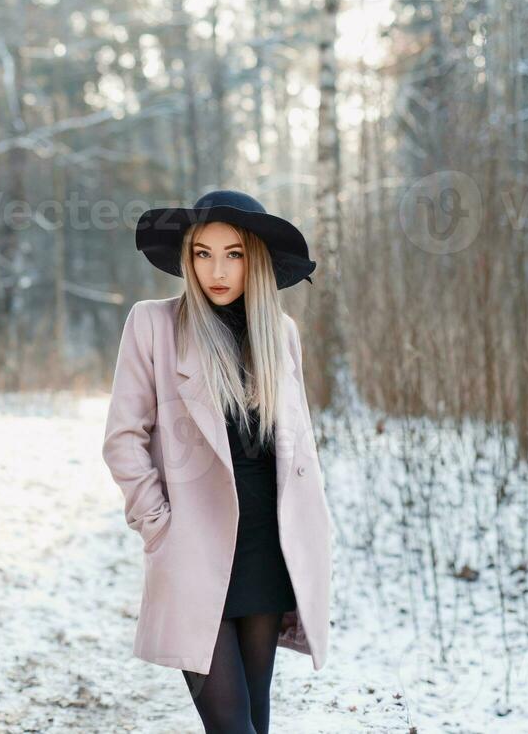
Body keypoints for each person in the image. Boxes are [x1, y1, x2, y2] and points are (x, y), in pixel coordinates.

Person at [102, 190, 333, 734]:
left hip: (267, 550)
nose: (216, 269)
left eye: (233, 254)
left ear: (255, 259)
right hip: (193, 550)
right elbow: (122, 438)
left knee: (255, 718)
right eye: (202, 253)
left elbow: (296, 447)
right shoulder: (153, 324)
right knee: (232, 725)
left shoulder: (282, 334)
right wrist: (157, 525)